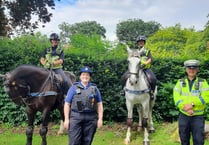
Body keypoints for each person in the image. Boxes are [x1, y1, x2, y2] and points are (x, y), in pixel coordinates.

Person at [64, 66, 103, 145]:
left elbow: (99, 104)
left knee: (87, 141)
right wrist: (66, 119)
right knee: (74, 142)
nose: (85, 77)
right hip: (76, 117)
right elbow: (67, 104)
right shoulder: (73, 88)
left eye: (87, 75)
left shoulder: (94, 88)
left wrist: (100, 119)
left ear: (90, 77)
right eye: (83, 75)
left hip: (91, 118)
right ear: (80, 76)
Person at [173, 59, 209, 145]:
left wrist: (192, 105)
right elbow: (176, 97)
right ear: (186, 70)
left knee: (199, 141)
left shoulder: (203, 82)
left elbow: (206, 97)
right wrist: (185, 108)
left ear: (197, 70)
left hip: (198, 117)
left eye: (194, 68)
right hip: (184, 116)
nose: (191, 70)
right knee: (184, 140)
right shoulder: (180, 82)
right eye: (189, 68)